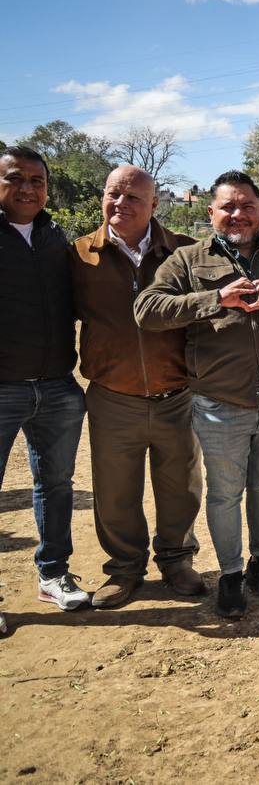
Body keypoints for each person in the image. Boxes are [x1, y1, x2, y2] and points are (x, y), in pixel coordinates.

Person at [135, 170, 259, 619]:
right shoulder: (188, 260)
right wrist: (217, 299)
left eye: (247, 206)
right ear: (211, 212)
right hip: (218, 403)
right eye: (228, 207)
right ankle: (231, 573)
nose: (238, 215)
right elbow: (147, 310)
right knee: (224, 493)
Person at [69, 165, 205, 608]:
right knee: (114, 492)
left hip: (176, 395)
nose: (119, 204)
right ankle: (125, 569)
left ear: (154, 205)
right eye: (112, 194)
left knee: (181, 486)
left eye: (132, 198)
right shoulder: (79, 256)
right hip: (112, 397)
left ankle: (177, 561)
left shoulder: (183, 252)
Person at [0, 146, 89, 612]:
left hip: (57, 386)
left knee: (55, 485)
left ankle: (53, 573)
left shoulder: (57, 238)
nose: (28, 188)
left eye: (38, 180)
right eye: (16, 178)